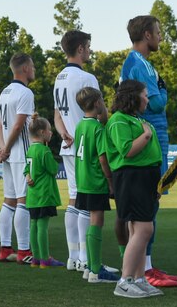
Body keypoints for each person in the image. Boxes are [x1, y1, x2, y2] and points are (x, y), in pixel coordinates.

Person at [119, 15, 177, 287]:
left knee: (147, 207)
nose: (160, 37)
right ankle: (143, 270)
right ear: (146, 34)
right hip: (150, 136)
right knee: (148, 208)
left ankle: (146, 268)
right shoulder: (139, 64)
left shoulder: (139, 63)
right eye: (157, 32)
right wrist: (165, 93)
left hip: (151, 137)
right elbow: (156, 103)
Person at [105, 80, 163, 299]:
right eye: (145, 95)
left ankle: (139, 279)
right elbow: (127, 150)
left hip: (144, 178)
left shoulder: (136, 119)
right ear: (132, 96)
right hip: (131, 177)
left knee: (137, 230)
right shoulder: (119, 120)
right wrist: (146, 135)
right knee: (144, 230)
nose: (148, 99)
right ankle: (125, 281)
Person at [53, 30, 99, 272]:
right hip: (86, 145)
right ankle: (84, 258)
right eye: (88, 46)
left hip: (67, 145)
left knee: (73, 198)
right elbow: (99, 113)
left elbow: (57, 115)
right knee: (85, 201)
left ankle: (73, 257)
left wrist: (63, 133)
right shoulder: (86, 78)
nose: (90, 50)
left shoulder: (59, 78)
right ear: (80, 49)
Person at [0, 53, 35, 264]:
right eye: (33, 66)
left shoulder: (4, 92)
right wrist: (7, 149)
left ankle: (5, 247)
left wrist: (2, 150)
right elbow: (18, 126)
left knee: (9, 201)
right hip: (21, 154)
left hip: (9, 156)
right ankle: (24, 251)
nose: (34, 70)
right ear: (25, 68)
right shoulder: (25, 93)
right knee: (23, 201)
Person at [74, 87, 120, 284]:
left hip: (83, 182)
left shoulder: (80, 126)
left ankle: (91, 267)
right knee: (96, 222)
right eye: (101, 99)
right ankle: (95, 271)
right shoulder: (98, 128)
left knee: (92, 221)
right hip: (95, 181)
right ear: (96, 103)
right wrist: (111, 182)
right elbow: (103, 159)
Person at [23, 113, 63, 268]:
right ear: (41, 133)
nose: (51, 133)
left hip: (32, 196)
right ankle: (45, 259)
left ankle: (35, 258)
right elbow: (53, 169)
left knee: (33, 225)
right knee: (42, 227)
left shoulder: (30, 150)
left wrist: (27, 176)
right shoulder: (44, 151)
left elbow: (26, 169)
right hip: (44, 194)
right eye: (49, 130)